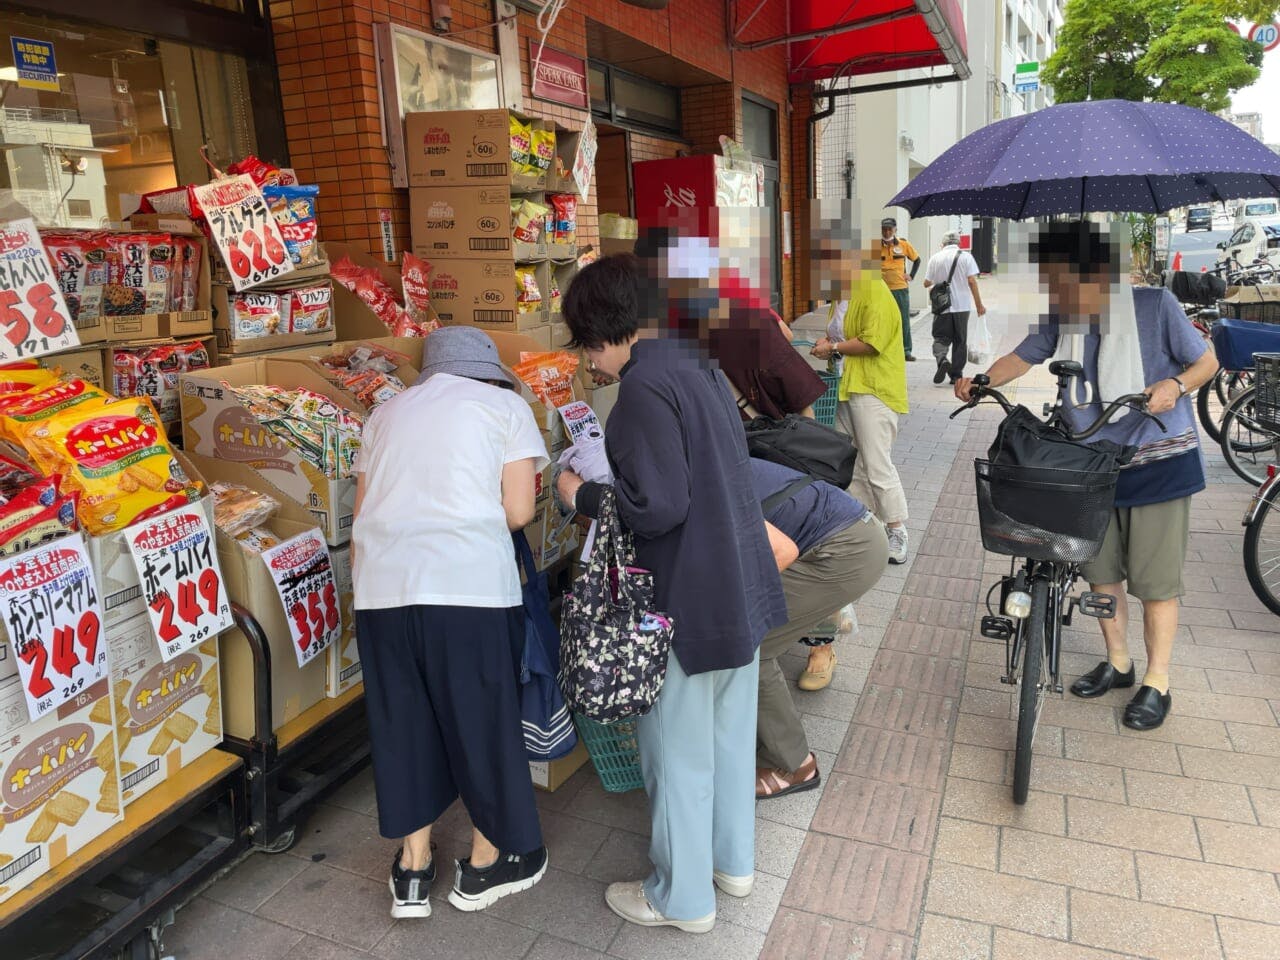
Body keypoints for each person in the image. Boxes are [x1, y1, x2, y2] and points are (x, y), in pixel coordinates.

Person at [556, 252, 787, 934]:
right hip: (737, 586)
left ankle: (681, 900)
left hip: (683, 600)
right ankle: (732, 864)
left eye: (586, 346)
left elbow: (656, 507)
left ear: (604, 329)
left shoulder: (643, 389)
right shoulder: (694, 361)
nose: (589, 362)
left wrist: (582, 495)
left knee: (678, 753)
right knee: (727, 737)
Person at [955, 221, 1219, 731]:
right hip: (1089, 463)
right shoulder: (1063, 314)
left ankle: (1157, 682)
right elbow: (1026, 354)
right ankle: (1119, 663)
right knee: (1100, 573)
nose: (1058, 291)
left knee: (1156, 582)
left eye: (1063, 279)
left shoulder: (1155, 305)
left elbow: (1206, 361)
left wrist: (1175, 384)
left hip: (1159, 463)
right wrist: (983, 380)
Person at [352, 326, 549, 919]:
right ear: (486, 372)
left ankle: (413, 870)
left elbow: (363, 512)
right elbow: (517, 510)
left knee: (402, 722)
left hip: (383, 590)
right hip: (468, 592)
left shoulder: (384, 414)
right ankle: (488, 865)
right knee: (481, 720)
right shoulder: (505, 405)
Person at [752, 458, 887, 798]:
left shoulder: (702, 485)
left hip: (844, 550)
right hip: (849, 529)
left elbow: (778, 552)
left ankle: (795, 764)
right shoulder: (705, 454)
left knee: (751, 645)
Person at [812, 248, 912, 565]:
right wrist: (825, 345)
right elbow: (837, 334)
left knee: (877, 463)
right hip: (845, 385)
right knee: (850, 461)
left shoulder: (873, 289)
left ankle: (897, 529)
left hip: (874, 388)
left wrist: (834, 346)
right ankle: (869, 527)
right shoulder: (842, 295)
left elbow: (873, 341)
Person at [923, 232, 986, 385]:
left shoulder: (935, 258)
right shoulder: (966, 257)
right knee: (960, 340)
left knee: (940, 337)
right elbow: (971, 281)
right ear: (959, 243)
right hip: (962, 307)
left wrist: (938, 284)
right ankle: (956, 375)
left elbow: (926, 283)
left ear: (942, 244)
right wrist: (979, 304)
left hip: (942, 307)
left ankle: (942, 359)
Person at [879, 217, 921, 361]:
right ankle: (884, 349)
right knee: (883, 320)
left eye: (890, 229)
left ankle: (906, 351)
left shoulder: (903, 244)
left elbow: (917, 260)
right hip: (882, 290)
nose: (887, 231)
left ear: (895, 230)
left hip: (900, 288)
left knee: (903, 320)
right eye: (884, 229)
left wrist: (911, 275)